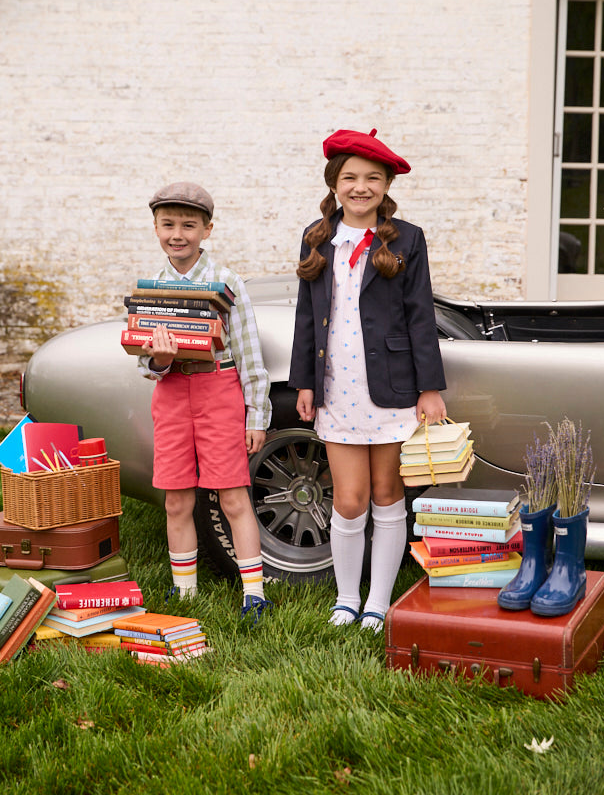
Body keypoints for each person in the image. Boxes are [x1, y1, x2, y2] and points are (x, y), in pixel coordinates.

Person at [289, 129, 446, 632]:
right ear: (335, 183)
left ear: (386, 185)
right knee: (349, 497)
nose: (360, 187)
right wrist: (304, 384)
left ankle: (378, 600)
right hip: (338, 388)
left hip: (394, 387)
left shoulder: (408, 239)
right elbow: (306, 317)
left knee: (387, 493)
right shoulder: (317, 237)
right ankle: (346, 597)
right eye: (350, 177)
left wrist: (429, 387)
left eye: (372, 179)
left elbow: (421, 316)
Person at [137, 182, 272, 624]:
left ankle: (254, 593)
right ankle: (186, 594)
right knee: (176, 500)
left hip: (219, 389)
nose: (178, 234)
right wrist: (158, 359)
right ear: (156, 227)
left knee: (233, 495)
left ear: (207, 230)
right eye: (168, 224)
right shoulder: (151, 287)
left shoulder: (226, 282)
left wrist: (258, 414)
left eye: (189, 225)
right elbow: (144, 361)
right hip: (173, 392)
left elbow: (250, 353)